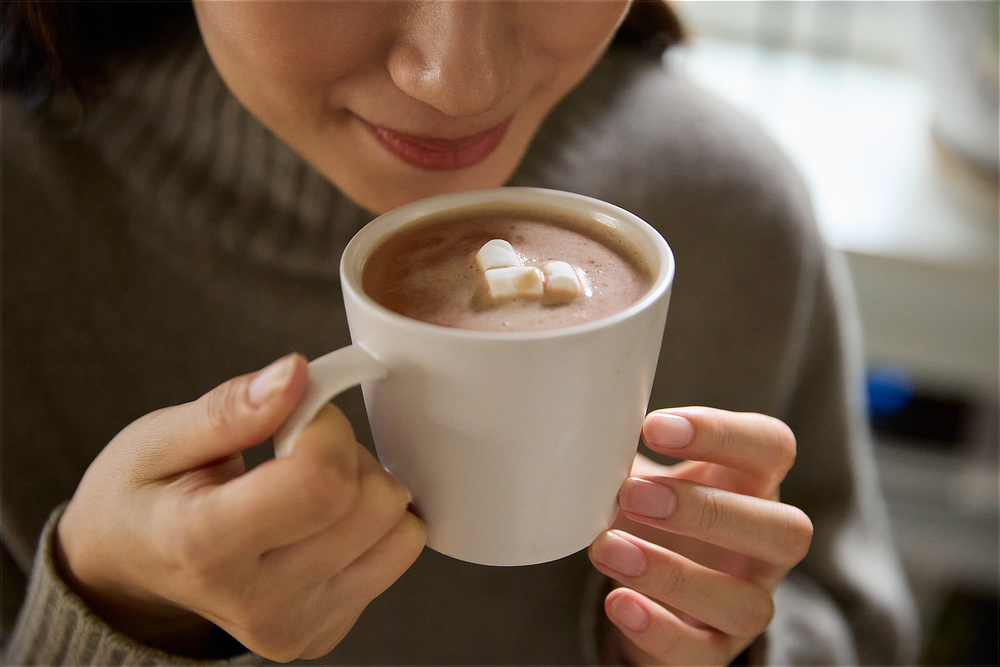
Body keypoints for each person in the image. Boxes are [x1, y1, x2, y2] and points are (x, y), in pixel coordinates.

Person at [1, 1, 919, 664]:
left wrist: (717, 646)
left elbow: (863, 632)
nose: (459, 80)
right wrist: (107, 614)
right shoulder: (25, 230)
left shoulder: (728, 211)